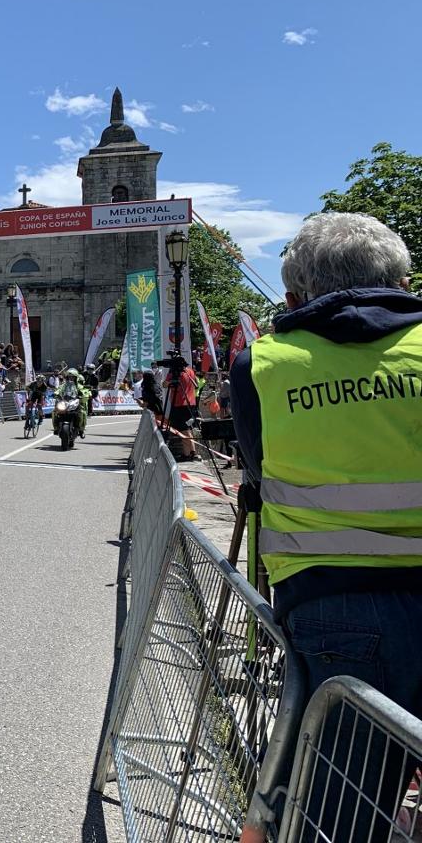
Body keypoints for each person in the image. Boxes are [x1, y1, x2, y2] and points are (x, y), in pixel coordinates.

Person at [232, 213, 422, 843]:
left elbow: (259, 473)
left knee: (339, 821)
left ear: (291, 298)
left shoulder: (264, 363)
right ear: (401, 278)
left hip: (335, 612)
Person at [163, 356, 199, 460]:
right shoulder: (190, 371)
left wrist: (169, 381)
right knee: (188, 428)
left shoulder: (174, 374)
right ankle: (193, 451)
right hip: (190, 403)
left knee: (183, 430)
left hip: (179, 404)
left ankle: (187, 454)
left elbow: (165, 385)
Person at [55, 367, 89, 438]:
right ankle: (56, 427)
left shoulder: (79, 386)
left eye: (72, 377)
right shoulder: (63, 385)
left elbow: (84, 391)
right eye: (69, 377)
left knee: (82, 412)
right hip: (65, 401)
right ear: (67, 377)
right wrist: (56, 393)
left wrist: (85, 394)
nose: (71, 378)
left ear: (76, 378)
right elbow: (59, 389)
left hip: (75, 402)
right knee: (55, 411)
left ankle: (81, 430)